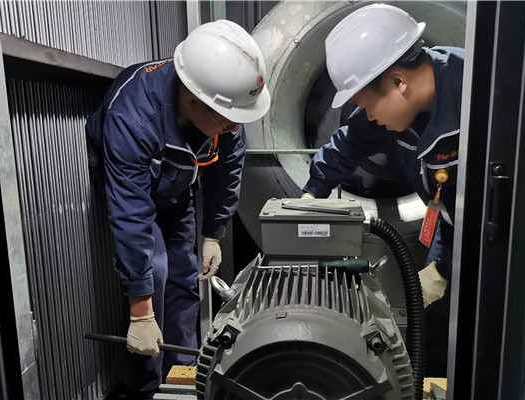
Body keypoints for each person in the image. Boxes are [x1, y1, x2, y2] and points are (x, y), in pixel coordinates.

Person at [86, 20, 270, 398]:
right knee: (153, 272)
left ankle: (183, 376)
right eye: (226, 120)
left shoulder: (224, 107)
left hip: (176, 187)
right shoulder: (133, 118)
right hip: (134, 190)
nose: (233, 127)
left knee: (185, 275)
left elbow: (227, 171)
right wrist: (141, 314)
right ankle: (147, 388)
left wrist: (213, 234)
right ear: (192, 100)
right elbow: (131, 214)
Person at [301, 4, 463, 377]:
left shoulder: (481, 92)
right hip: (449, 225)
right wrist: (310, 196)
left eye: (365, 104)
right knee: (433, 326)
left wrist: (448, 267)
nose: (369, 115)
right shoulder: (397, 107)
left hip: (503, 239)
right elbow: (350, 142)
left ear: (397, 81)